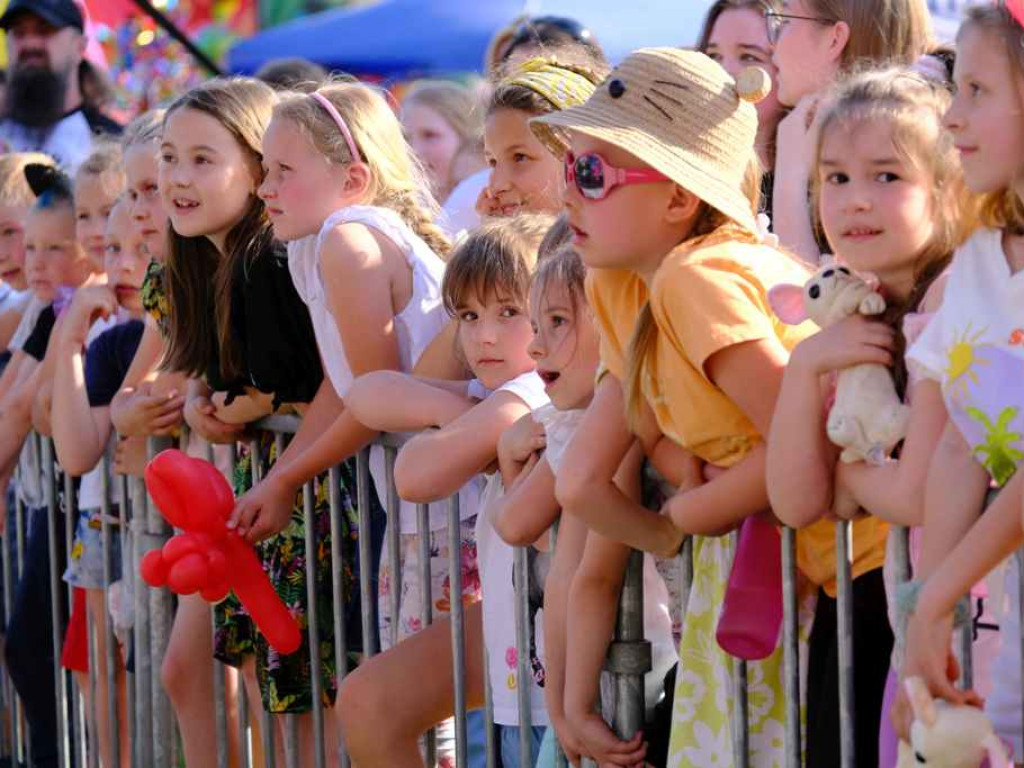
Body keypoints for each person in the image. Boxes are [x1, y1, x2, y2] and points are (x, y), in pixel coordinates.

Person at [538, 49, 811, 766]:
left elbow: (806, 431)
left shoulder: (699, 278)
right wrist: (678, 500)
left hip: (820, 576)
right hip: (758, 568)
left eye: (592, 174)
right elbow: (588, 473)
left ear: (678, 199)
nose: (567, 193)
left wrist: (687, 517)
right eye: (569, 168)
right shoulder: (628, 284)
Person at [766, 67, 973, 768]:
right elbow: (796, 502)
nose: (856, 201)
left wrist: (852, 475)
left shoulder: (954, 299)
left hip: (967, 621)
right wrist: (806, 368)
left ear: (945, 189)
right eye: (835, 178)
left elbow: (914, 492)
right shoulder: (843, 304)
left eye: (887, 176)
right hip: (882, 611)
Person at [336, 215, 547, 768]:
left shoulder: (526, 391)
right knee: (368, 702)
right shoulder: (493, 393)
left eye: (508, 313)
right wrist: (461, 412)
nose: (484, 335)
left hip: (555, 636)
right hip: (515, 618)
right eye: (469, 316)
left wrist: (474, 426)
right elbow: (365, 393)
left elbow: (416, 475)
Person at [895, 5, 1024, 761]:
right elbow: (959, 451)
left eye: (976, 90)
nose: (950, 119)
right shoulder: (979, 259)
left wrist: (939, 596)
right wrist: (926, 621)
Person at [768, 0, 934, 263]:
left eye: (784, 20)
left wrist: (790, 175)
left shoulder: (901, 151)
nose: (772, 43)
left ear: (835, 39)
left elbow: (818, 297)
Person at [0, 0, 121, 171]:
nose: (30, 44)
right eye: (19, 33)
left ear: (80, 46)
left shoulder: (112, 145)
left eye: (44, 30)